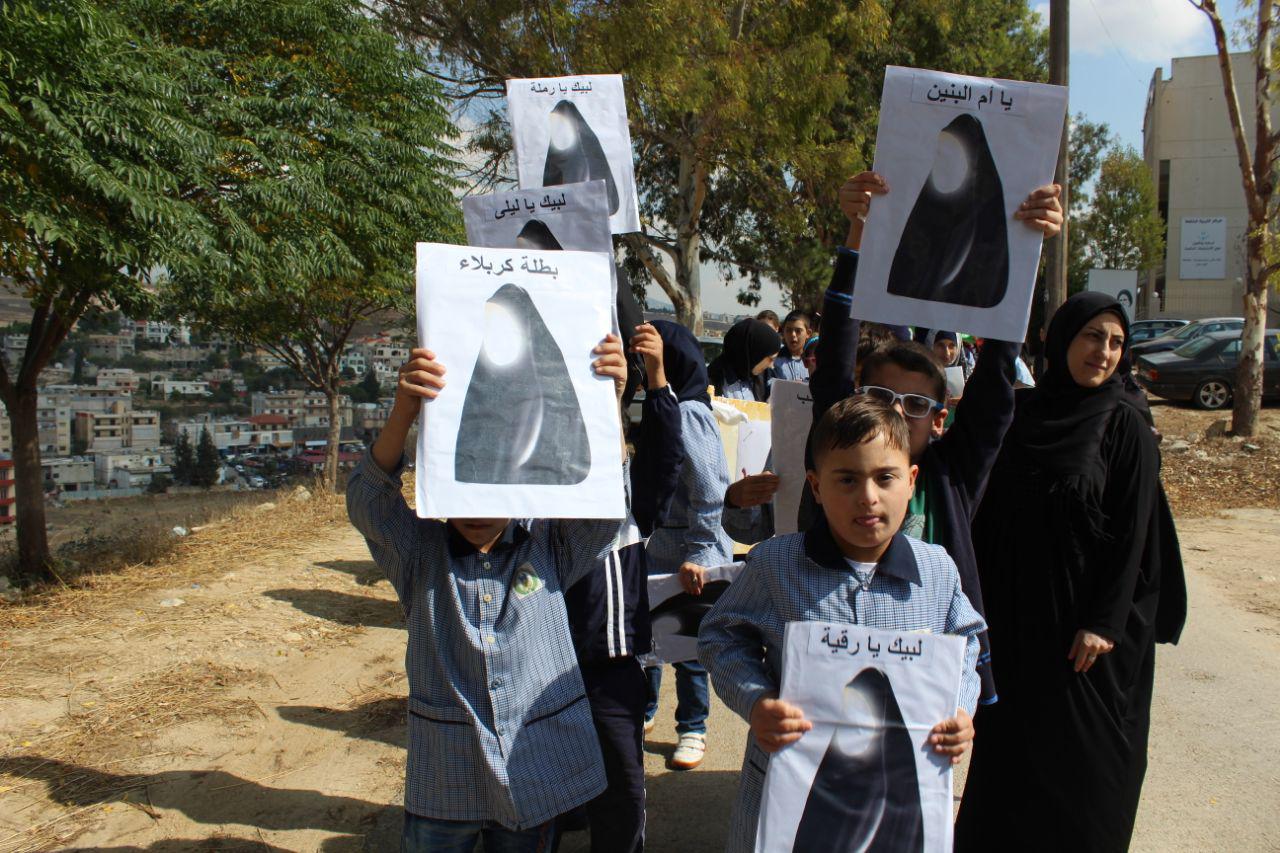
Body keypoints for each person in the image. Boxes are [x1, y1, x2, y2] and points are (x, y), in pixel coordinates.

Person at [721, 173, 1062, 708]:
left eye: (917, 404)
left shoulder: (952, 476)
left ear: (941, 420)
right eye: (882, 395)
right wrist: (857, 234)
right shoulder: (833, 453)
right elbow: (837, 349)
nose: (897, 412)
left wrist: (1025, 251)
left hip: (917, 696)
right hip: (821, 684)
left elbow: (997, 377)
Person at [347, 335, 629, 852]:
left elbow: (606, 504)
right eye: (463, 488)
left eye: (490, 489)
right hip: (446, 776)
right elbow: (369, 503)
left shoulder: (549, 548)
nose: (476, 510)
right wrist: (405, 410)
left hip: (532, 770)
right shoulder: (420, 555)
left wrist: (607, 399)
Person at [698, 397, 986, 853]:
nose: (868, 497)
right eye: (847, 479)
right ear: (816, 486)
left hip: (896, 799)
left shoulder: (937, 570)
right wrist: (756, 701)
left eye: (885, 477)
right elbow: (721, 636)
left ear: (911, 480)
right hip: (790, 791)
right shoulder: (776, 565)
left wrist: (960, 709)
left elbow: (967, 642)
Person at [954, 292, 1186, 853]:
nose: (1103, 352)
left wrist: (1103, 623)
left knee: (1087, 778)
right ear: (1060, 339)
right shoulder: (1022, 412)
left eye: (1116, 342)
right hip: (1017, 627)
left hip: (1085, 641)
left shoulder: (1125, 423)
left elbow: (1134, 534)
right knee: (1012, 768)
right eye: (1092, 336)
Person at [562, 323, 683, 853]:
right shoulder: (528, 503)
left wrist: (654, 377)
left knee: (621, 798)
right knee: (545, 802)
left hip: (613, 673)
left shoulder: (633, 504)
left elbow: (666, 454)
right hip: (540, 672)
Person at [643, 320, 735, 770]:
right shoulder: (663, 407)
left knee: (687, 647)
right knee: (648, 642)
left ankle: (693, 728)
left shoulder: (688, 412)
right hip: (657, 549)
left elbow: (709, 490)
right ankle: (645, 711)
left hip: (687, 553)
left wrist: (699, 553)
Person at [709, 318, 782, 401]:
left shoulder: (762, 379)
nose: (771, 366)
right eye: (770, 359)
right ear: (755, 354)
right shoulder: (711, 382)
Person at [770, 310, 812, 384]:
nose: (793, 335)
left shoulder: (814, 361)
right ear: (783, 333)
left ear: (808, 333)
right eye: (788, 330)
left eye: (798, 331)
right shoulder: (773, 361)